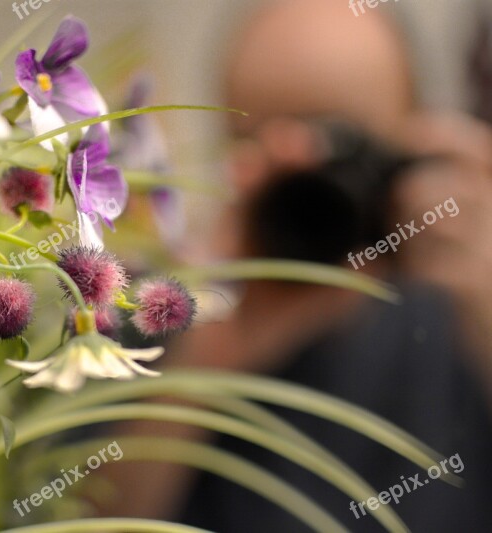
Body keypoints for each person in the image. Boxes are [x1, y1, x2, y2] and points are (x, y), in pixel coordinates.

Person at [93, 1, 492, 530]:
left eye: (343, 144)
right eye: (260, 139)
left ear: (414, 141)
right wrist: (210, 356)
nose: (309, 181)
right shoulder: (147, 315)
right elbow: (74, 516)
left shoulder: (459, 310)